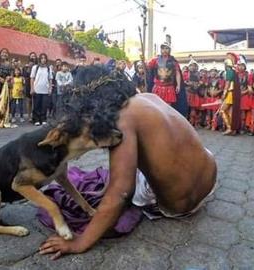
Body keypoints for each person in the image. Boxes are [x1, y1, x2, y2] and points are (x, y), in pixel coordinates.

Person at [39, 65, 217, 260]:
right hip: (209, 179)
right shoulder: (148, 97)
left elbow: (122, 192)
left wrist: (80, 242)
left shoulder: (122, 119)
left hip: (180, 206)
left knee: (121, 181)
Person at [219, 52, 241, 135]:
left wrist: (224, 94)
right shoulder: (234, 71)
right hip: (233, 93)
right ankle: (233, 129)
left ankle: (229, 128)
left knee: (222, 110)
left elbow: (227, 84)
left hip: (230, 93)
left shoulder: (229, 71)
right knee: (230, 112)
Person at [30, 53, 52, 126]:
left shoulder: (49, 68)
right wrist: (32, 88)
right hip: (37, 89)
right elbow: (32, 78)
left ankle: (43, 119)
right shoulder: (35, 67)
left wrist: (50, 88)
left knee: (44, 106)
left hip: (45, 90)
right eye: (42, 58)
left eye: (44, 58)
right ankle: (36, 119)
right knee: (36, 105)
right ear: (39, 59)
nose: (43, 59)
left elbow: (50, 79)